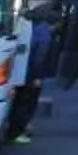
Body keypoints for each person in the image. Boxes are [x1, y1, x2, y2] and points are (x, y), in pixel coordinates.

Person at [7, 9, 52, 142]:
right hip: (31, 75)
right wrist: (37, 76)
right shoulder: (44, 35)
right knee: (27, 103)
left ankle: (13, 129)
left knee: (18, 102)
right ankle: (17, 132)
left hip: (20, 72)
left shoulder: (27, 30)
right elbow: (40, 57)